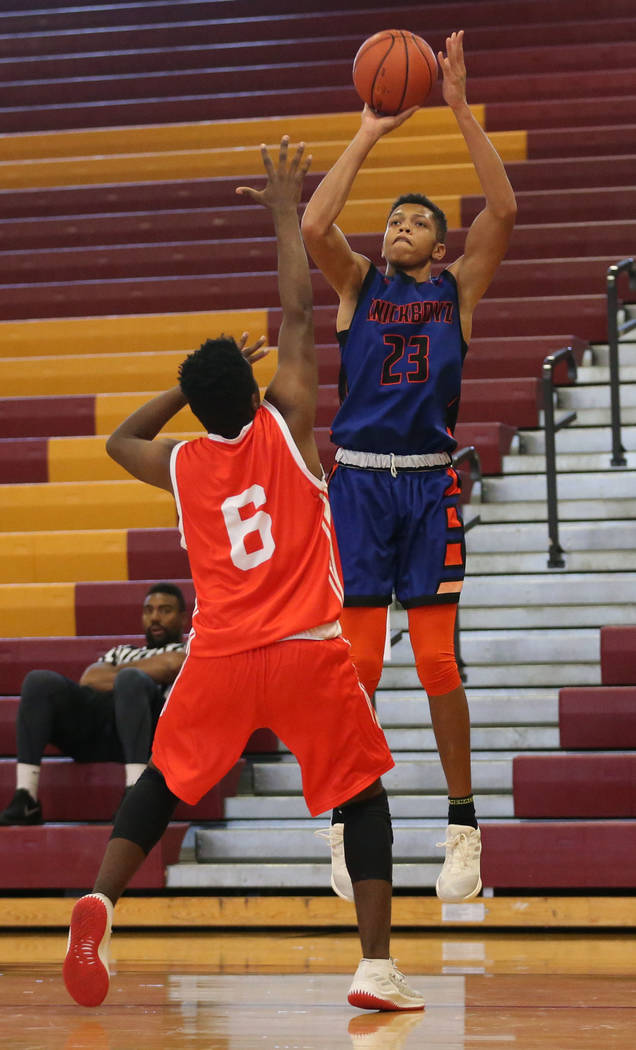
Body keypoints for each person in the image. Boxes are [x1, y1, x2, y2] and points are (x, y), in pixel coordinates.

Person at [62, 138, 424, 1014]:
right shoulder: (290, 424)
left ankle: (101, 899)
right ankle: (374, 968)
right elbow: (299, 314)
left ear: (201, 404)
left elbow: (116, 442)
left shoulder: (183, 465)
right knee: (364, 797)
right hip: (304, 648)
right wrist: (281, 220)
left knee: (162, 783)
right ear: (252, 389)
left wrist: (190, 389)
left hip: (219, 658)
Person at [301, 31, 517, 903]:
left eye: (417, 220)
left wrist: (460, 109)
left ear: (437, 245)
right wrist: (368, 130)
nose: (399, 226)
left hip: (428, 482)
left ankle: (463, 828)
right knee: (355, 668)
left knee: (436, 667)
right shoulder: (356, 285)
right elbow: (315, 223)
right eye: (394, 217)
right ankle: (348, 819)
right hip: (356, 482)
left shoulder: (453, 292)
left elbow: (502, 212)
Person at [0, 583, 187, 826]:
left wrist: (121, 676)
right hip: (99, 732)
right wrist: (150, 670)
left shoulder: (189, 650)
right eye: (148, 610)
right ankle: (26, 797)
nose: (154, 617)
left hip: (149, 737)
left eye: (165, 610)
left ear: (183, 617)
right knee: (39, 681)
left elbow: (173, 665)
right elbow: (89, 678)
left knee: (130, 681)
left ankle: (135, 796)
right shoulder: (122, 651)